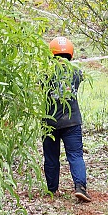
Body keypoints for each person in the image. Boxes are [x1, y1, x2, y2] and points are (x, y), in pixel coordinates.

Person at [43, 36, 91, 202]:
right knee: (75, 155)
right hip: (72, 121)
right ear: (71, 53)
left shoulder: (46, 72)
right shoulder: (76, 72)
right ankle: (80, 188)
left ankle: (52, 190)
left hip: (49, 121)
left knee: (51, 157)